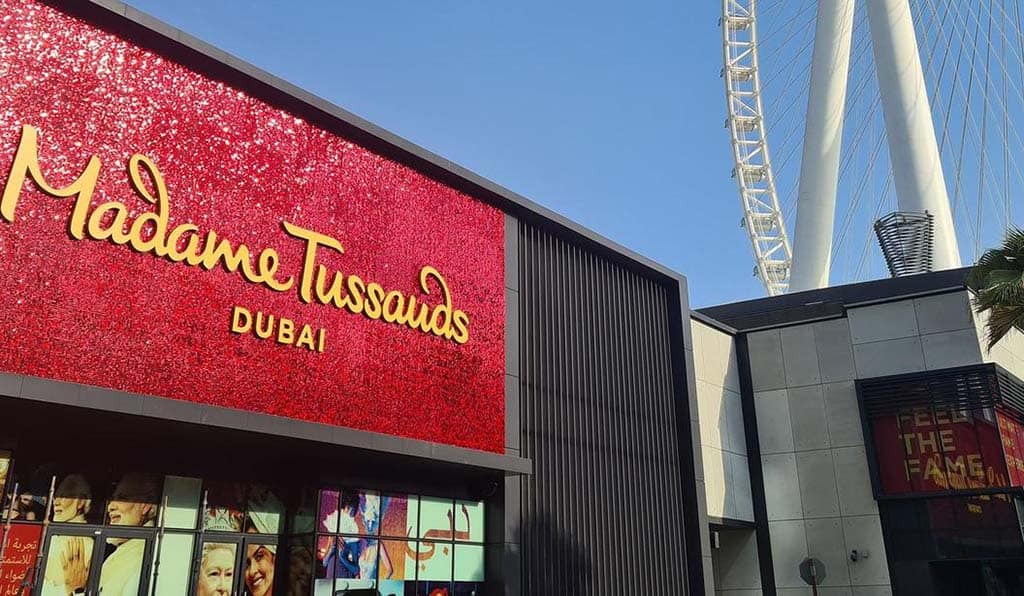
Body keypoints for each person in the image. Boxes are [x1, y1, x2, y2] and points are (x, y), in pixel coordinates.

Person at [98, 473, 160, 595]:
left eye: (122, 498)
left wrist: (78, 589)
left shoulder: (143, 556)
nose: (110, 507)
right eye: (113, 498)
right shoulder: (128, 550)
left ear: (145, 506)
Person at [40, 474, 94, 596]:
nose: (56, 502)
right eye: (55, 497)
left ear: (81, 502)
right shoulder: (54, 536)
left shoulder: (87, 544)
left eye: (64, 496)